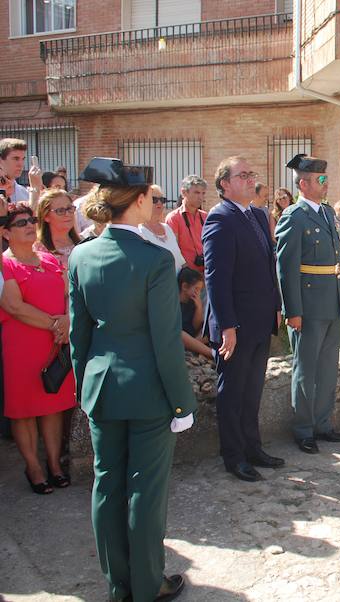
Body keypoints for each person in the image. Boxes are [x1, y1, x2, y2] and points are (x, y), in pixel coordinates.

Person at [69, 157, 195, 602]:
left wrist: (85, 388)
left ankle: (118, 585)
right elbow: (165, 342)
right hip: (149, 393)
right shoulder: (155, 260)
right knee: (145, 489)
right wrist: (183, 404)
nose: (154, 203)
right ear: (138, 201)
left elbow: (77, 334)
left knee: (108, 487)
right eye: (151, 197)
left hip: (101, 387)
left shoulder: (81, 254)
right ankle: (147, 584)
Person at [203, 156, 283, 481]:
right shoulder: (219, 219)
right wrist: (226, 327)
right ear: (224, 184)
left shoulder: (259, 215)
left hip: (261, 320)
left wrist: (276, 305)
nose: (251, 180)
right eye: (243, 175)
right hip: (235, 325)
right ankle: (234, 457)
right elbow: (216, 278)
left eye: (252, 174)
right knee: (233, 393)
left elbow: (268, 266)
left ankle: (253, 448)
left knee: (252, 391)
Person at [275, 154, 340, 455]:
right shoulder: (294, 216)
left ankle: (323, 424)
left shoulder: (328, 212)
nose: (326, 182)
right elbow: (285, 267)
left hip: (331, 301)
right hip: (307, 305)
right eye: (320, 179)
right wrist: (292, 310)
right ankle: (304, 429)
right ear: (303, 184)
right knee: (305, 370)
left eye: (325, 177)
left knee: (328, 368)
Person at [0, 202, 74, 494]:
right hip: (22, 345)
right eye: (21, 223)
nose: (30, 225)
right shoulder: (4, 265)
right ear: (5, 233)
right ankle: (33, 466)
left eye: (31, 220)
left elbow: (70, 293)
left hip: (54, 343)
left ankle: (54, 464)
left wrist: (68, 320)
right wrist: (56, 325)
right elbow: (14, 306)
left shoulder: (50, 259)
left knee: (52, 406)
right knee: (25, 410)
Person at [166, 174, 209, 276]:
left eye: (203, 193)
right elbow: (173, 249)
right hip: (185, 277)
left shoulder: (206, 217)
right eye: (197, 192)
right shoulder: (173, 218)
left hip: (206, 273)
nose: (201, 197)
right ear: (184, 192)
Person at [139, 184, 185, 274]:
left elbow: (180, 260)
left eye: (162, 200)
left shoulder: (167, 228)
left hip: (176, 284)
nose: (159, 203)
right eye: (154, 200)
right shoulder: (139, 231)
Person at [33, 189, 80, 269]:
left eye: (69, 208)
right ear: (46, 216)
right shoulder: (38, 248)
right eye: (60, 211)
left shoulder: (83, 243)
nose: (67, 214)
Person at [177, 267, 213, 360]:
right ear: (184, 286)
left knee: (209, 329)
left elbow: (196, 326)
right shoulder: (173, 303)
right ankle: (211, 353)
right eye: (197, 289)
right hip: (179, 336)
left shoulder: (192, 302)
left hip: (193, 337)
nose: (198, 292)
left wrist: (199, 307)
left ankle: (193, 346)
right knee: (180, 335)